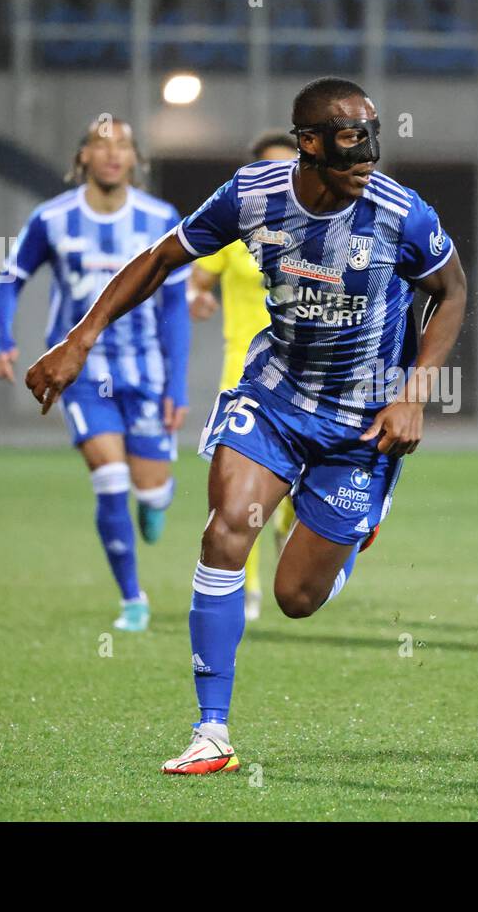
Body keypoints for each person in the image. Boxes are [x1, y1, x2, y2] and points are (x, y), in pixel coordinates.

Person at [23, 77, 467, 775]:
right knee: (227, 526)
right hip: (275, 396)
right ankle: (212, 730)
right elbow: (163, 258)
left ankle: (355, 532)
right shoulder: (252, 195)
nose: (368, 160)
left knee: (294, 598)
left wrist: (415, 392)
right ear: (309, 142)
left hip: (360, 423)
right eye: (352, 143)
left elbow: (454, 292)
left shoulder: (399, 214)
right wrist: (80, 337)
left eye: (374, 141)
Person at [0, 117, 191, 631]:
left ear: (135, 159)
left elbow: (175, 307)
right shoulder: (52, 219)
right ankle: (132, 600)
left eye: (122, 144)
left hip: (145, 371)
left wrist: (178, 384)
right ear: (82, 157)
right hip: (81, 372)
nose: (111, 153)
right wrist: (4, 339)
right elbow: (9, 281)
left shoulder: (160, 218)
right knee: (109, 478)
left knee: (150, 491)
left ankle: (153, 502)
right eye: (101, 144)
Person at [187, 130, 300, 622]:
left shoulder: (321, 229)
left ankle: (288, 526)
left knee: (297, 492)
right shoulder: (236, 227)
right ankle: (247, 587)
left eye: (289, 166)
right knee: (238, 493)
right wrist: (199, 297)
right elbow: (197, 277)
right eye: (268, 169)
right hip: (245, 373)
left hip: (307, 375)